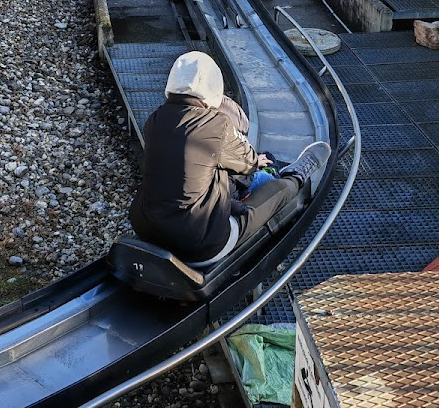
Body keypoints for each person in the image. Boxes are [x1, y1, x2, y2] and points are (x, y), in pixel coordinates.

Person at [129, 50, 330, 267]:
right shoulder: (216, 124)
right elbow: (248, 161)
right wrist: (256, 160)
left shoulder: (154, 120)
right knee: (277, 191)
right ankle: (296, 175)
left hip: (147, 229)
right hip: (199, 242)